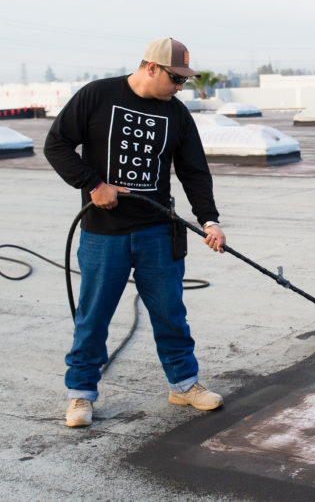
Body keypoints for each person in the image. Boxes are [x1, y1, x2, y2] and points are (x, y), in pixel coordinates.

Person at [44, 37, 227, 428]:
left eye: (184, 81)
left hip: (157, 232)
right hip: (103, 234)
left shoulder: (176, 114)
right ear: (151, 68)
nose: (180, 88)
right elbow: (56, 145)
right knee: (93, 317)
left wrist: (209, 220)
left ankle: (184, 384)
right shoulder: (97, 96)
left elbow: (194, 170)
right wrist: (94, 184)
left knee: (171, 313)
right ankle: (80, 394)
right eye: (176, 79)